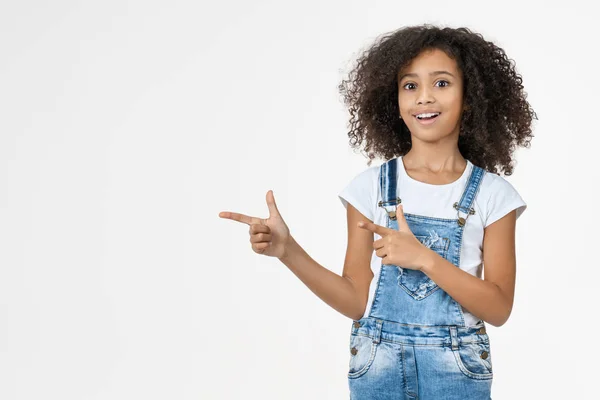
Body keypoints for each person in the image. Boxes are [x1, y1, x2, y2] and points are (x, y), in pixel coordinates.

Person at [219, 24, 535, 400]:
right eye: (410, 85)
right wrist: (288, 252)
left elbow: (499, 309)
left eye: (442, 83)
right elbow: (354, 301)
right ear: (394, 100)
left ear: (470, 98)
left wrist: (423, 258)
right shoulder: (369, 188)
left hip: (457, 370)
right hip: (377, 366)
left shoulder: (493, 195)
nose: (423, 98)